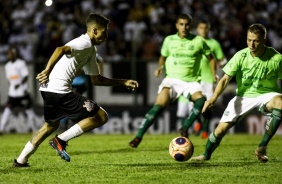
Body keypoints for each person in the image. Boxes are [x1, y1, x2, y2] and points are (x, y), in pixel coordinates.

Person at [13, 13, 138, 167]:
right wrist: (47, 70)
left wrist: (122, 82)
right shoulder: (83, 43)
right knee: (101, 116)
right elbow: (60, 49)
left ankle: (21, 160)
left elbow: (96, 80)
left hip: (48, 90)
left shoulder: (90, 51)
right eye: (104, 32)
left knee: (50, 126)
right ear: (95, 30)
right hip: (60, 91)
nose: (106, 37)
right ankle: (61, 140)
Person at [190, 23, 282, 162]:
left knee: (280, 102)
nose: (251, 44)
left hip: (267, 95)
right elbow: (225, 79)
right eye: (249, 39)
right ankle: (205, 155)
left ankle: (262, 147)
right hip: (244, 97)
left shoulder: (276, 58)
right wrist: (213, 98)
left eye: (256, 40)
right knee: (220, 130)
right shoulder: (240, 56)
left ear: (264, 40)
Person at [129, 14, 217, 148]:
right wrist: (160, 67)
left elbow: (211, 58)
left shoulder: (198, 41)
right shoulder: (169, 40)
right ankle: (138, 136)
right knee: (159, 105)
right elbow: (162, 57)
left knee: (201, 101)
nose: (184, 27)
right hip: (171, 80)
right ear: (177, 25)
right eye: (181, 24)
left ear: (190, 26)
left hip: (191, 81)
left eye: (187, 24)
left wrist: (214, 74)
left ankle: (185, 127)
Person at [176, 20, 227, 139]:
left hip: (208, 79)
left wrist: (220, 64)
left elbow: (222, 60)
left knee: (207, 105)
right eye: (201, 28)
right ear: (197, 29)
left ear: (208, 29)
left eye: (206, 28)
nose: (203, 30)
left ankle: (204, 130)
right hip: (195, 79)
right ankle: (198, 122)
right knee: (195, 105)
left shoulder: (214, 43)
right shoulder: (193, 41)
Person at [59, 53, 104, 131]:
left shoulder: (86, 53)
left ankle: (70, 123)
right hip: (72, 84)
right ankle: (69, 122)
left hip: (78, 84)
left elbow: (100, 60)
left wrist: (99, 74)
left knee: (71, 104)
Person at [0, 46, 37, 134]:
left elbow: (26, 76)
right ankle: (1, 129)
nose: (10, 55)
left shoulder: (21, 63)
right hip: (12, 94)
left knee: (29, 111)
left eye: (11, 53)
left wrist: (19, 84)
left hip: (22, 92)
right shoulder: (7, 66)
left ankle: (34, 129)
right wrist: (12, 86)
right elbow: (9, 79)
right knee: (7, 110)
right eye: (9, 54)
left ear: (15, 54)